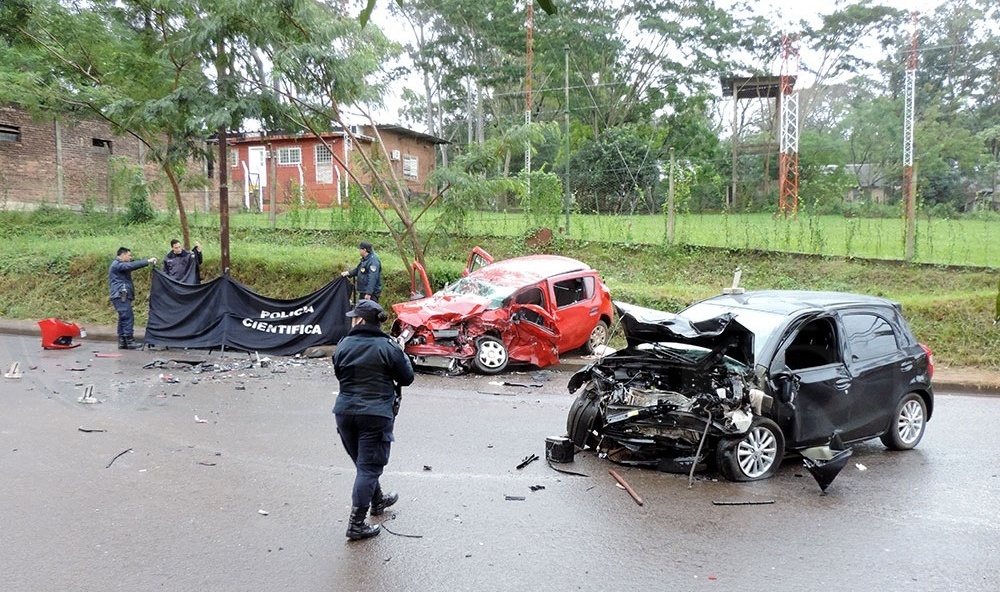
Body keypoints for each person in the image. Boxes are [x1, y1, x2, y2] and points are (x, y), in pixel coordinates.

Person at [332, 299, 414, 541]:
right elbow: (407, 378)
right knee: (368, 467)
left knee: (363, 464)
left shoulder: (343, 343)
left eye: (354, 316)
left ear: (361, 320)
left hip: (345, 412)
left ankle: (377, 500)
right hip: (376, 414)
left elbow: (338, 371)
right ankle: (356, 525)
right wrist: (402, 354)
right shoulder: (388, 346)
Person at [108, 247, 156, 350]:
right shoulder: (118, 265)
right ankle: (129, 341)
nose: (130, 257)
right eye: (129, 255)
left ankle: (122, 342)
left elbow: (132, 264)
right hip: (120, 295)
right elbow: (131, 266)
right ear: (123, 255)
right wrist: (147, 261)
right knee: (128, 317)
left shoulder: (118, 264)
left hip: (119, 295)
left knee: (123, 318)